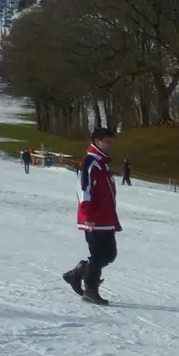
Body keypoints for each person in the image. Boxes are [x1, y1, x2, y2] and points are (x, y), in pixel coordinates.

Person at [61, 127, 121, 305]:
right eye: (107, 142)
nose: (110, 146)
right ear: (97, 141)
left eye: (112, 142)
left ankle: (77, 273)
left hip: (106, 217)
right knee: (99, 255)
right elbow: (83, 189)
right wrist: (88, 214)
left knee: (109, 254)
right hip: (94, 217)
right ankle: (90, 290)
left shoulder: (103, 163)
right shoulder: (89, 162)